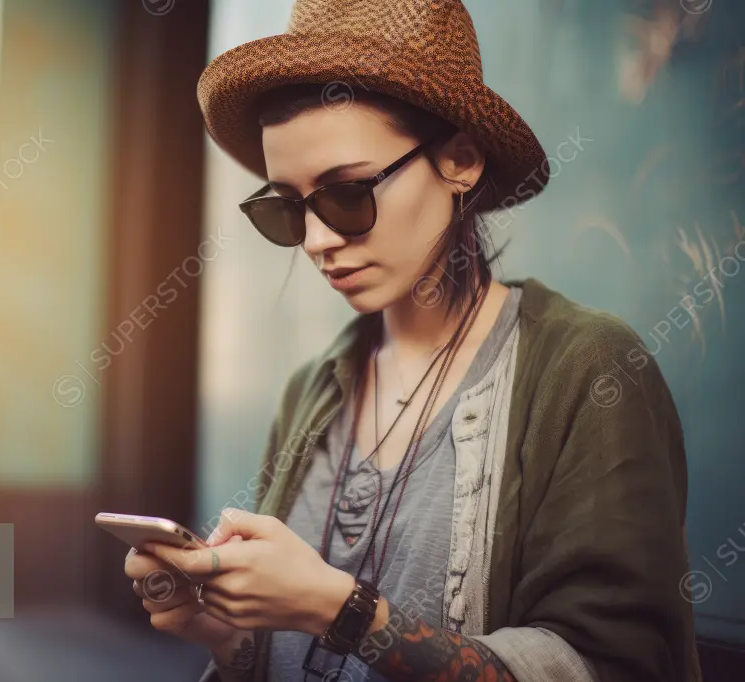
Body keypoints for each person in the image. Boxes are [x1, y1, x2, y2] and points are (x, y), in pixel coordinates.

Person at [125, 1, 701, 680]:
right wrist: (231, 637)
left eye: (346, 195)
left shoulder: (588, 371)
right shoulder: (313, 390)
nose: (316, 242)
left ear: (460, 159)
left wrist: (340, 608)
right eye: (286, 207)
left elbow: (613, 666)